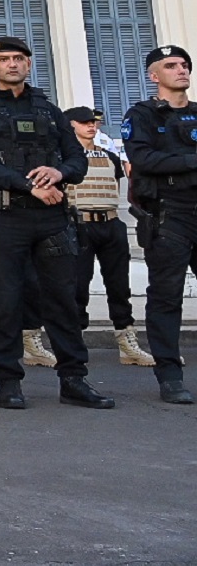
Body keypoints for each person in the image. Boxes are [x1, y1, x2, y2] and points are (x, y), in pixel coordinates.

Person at [0, 35, 110, 409]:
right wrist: (28, 185)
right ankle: (9, 381)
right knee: (4, 300)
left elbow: (77, 159)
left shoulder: (48, 109)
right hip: (3, 217)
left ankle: (74, 380)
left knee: (63, 301)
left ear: (28, 64)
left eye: (19, 58)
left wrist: (57, 174)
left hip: (51, 218)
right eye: (4, 59)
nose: (12, 64)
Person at [122, 43, 197, 403]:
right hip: (171, 212)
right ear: (155, 76)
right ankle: (169, 375)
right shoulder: (143, 115)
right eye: (171, 66)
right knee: (167, 297)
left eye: (184, 65)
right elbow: (144, 159)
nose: (181, 70)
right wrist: (190, 160)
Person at [59, 105, 149, 367]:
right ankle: (74, 346)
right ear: (70, 125)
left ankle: (126, 340)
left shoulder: (110, 157)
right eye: (84, 122)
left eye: (93, 122)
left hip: (111, 224)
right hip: (79, 225)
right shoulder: (63, 159)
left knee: (119, 287)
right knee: (77, 287)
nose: (91, 126)